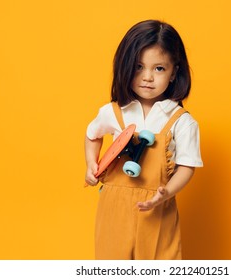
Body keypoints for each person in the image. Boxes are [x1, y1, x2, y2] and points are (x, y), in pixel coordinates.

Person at [84, 19, 203, 260]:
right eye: (138, 67)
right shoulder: (114, 111)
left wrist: (165, 193)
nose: (147, 77)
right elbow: (92, 135)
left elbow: (187, 167)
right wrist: (91, 164)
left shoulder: (181, 121)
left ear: (173, 73)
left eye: (159, 68)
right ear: (125, 67)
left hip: (157, 208)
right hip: (114, 209)